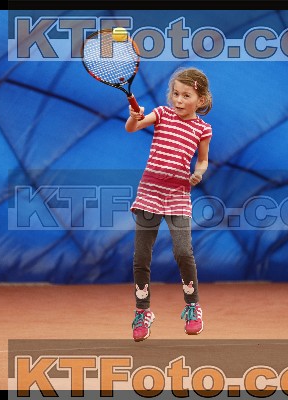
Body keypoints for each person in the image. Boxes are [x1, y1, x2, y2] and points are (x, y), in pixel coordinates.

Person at [125, 67, 213, 342]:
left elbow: (203, 159)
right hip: (149, 194)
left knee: (183, 252)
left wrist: (199, 173)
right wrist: (134, 117)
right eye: (175, 93)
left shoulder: (203, 129)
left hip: (178, 197)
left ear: (200, 100)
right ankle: (143, 312)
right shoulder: (161, 114)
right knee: (141, 257)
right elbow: (132, 128)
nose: (178, 100)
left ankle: (192, 307)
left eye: (186, 95)